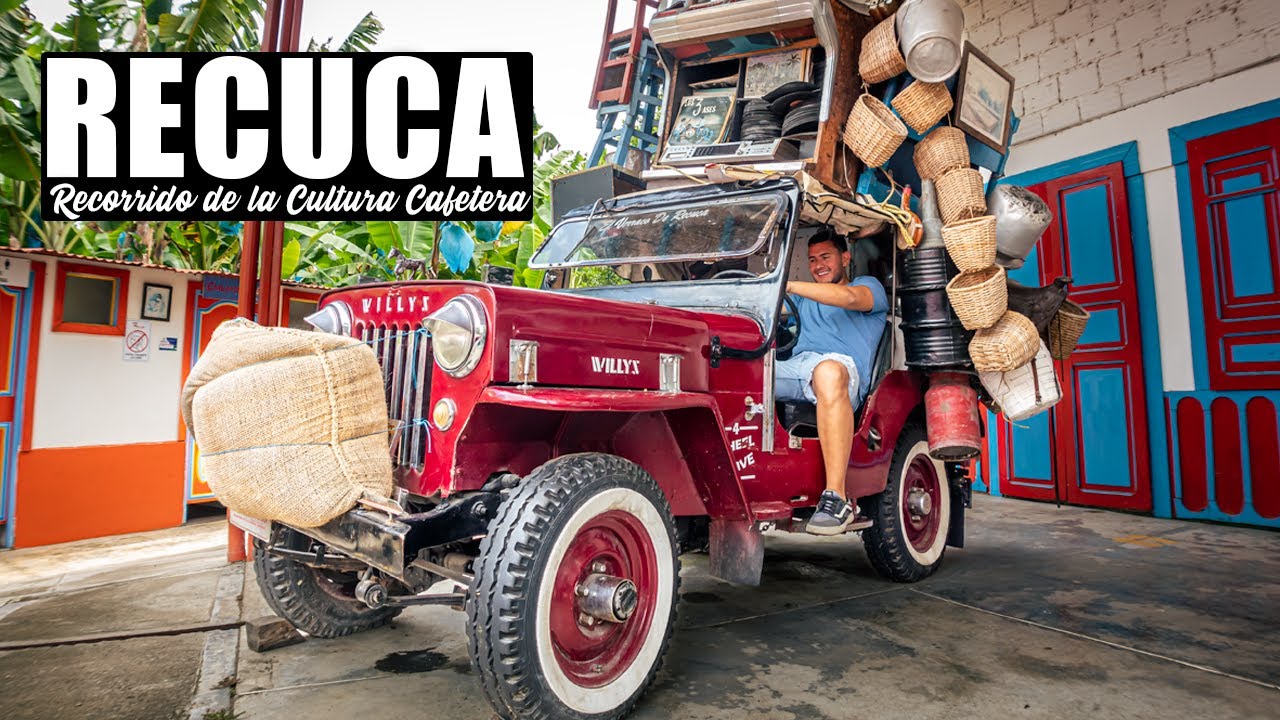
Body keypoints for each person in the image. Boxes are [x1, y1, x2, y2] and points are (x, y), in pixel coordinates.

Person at [776, 229, 889, 535]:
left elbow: (851, 298)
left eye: (826, 257)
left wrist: (787, 285)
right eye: (812, 260)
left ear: (845, 257)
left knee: (827, 371)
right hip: (798, 369)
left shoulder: (867, 286)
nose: (818, 265)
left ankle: (836, 498)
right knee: (738, 370)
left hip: (842, 373)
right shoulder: (802, 301)